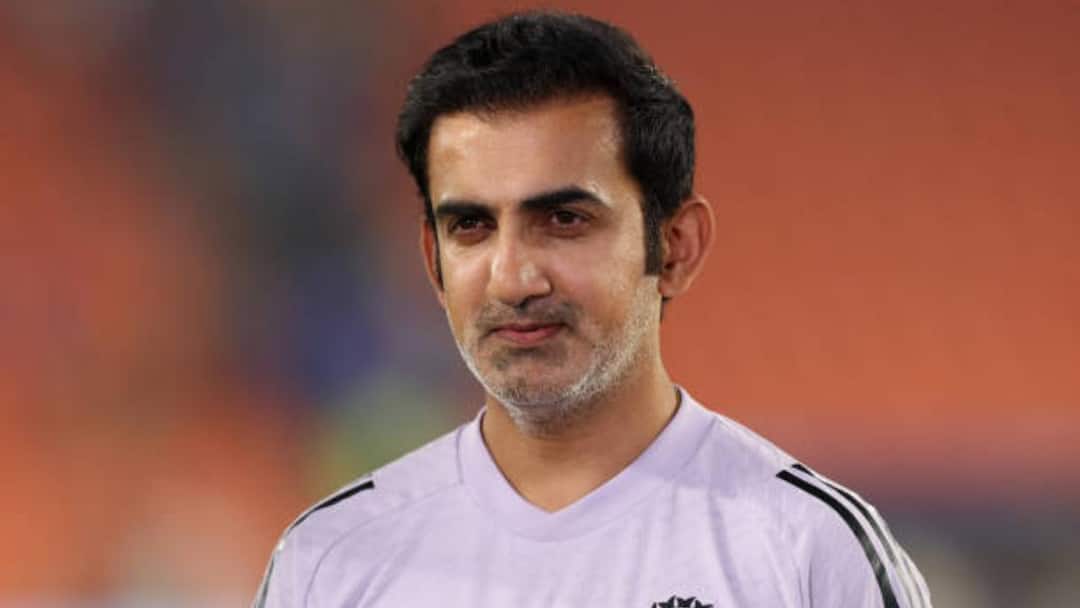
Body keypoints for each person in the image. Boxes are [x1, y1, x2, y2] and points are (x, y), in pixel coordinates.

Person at [253, 10, 931, 608]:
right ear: (433, 260)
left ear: (676, 247)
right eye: (472, 226)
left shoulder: (809, 551)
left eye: (564, 220)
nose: (513, 279)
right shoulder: (330, 562)